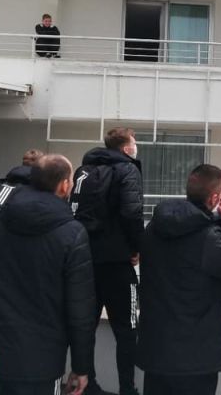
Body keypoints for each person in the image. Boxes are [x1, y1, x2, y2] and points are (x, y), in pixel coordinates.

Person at [0, 154, 96, 395]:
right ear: (64, 185)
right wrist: (81, 366)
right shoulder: (72, 234)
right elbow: (81, 311)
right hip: (43, 364)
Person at [137, 164, 221, 395]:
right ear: (214, 198)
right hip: (195, 357)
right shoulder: (208, 238)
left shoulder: (154, 228)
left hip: (157, 348)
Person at [71, 128, 143, 395]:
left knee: (85, 327)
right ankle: (127, 388)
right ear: (125, 148)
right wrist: (137, 247)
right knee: (127, 330)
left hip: (86, 261)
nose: (135, 147)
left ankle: (87, 384)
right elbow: (132, 212)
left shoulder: (84, 170)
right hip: (118, 262)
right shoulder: (128, 170)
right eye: (134, 143)